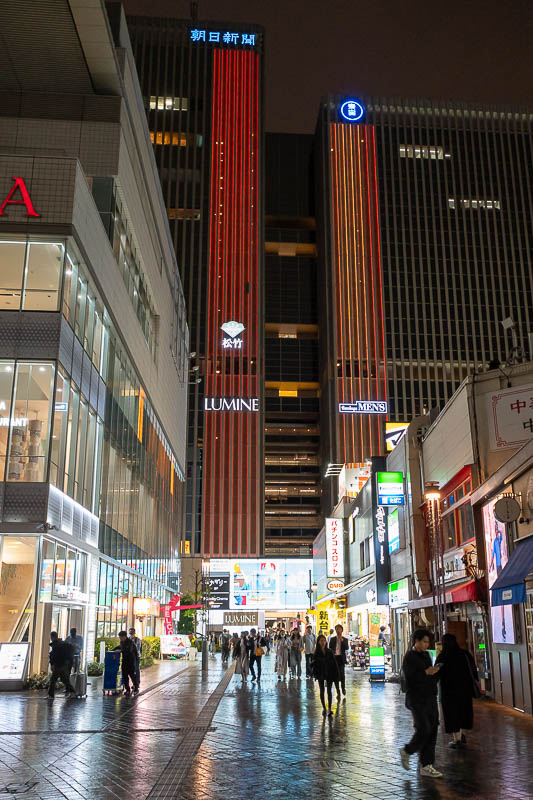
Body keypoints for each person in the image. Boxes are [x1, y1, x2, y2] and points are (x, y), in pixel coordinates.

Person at [400, 628, 443, 778]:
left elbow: (429, 677)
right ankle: (407, 751)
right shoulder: (410, 657)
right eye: (424, 642)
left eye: (428, 642)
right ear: (416, 641)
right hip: (417, 699)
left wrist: (436, 672)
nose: (426, 645)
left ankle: (427, 765)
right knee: (424, 728)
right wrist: (426, 673)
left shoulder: (425, 655)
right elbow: (410, 679)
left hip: (430, 697)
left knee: (432, 730)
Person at [435, 633, 479, 747]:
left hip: (449, 691)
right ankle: (461, 734)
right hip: (465, 690)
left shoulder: (443, 656)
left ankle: (457, 739)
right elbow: (473, 669)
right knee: (463, 712)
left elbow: (437, 672)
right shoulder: (464, 654)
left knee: (452, 714)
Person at [313, 634, 340, 715]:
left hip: (329, 673)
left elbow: (334, 663)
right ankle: (324, 708)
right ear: (318, 642)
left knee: (329, 690)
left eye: (324, 641)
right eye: (321, 641)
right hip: (321, 673)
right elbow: (315, 665)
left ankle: (329, 708)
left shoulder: (329, 651)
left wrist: (336, 674)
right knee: (322, 690)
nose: (323, 642)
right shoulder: (316, 653)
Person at [48, 632, 76, 699]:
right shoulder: (63, 643)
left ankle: (51, 695)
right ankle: (72, 692)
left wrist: (52, 664)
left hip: (58, 664)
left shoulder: (56, 645)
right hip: (64, 664)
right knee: (64, 679)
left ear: (52, 637)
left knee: (53, 679)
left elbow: (54, 656)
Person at [115, 630, 139, 696]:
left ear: (124, 636)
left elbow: (129, 651)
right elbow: (120, 647)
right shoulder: (122, 642)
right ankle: (127, 689)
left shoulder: (130, 642)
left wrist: (120, 650)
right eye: (119, 637)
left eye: (121, 637)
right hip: (124, 661)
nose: (120, 638)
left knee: (132, 676)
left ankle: (136, 688)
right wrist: (113, 650)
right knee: (125, 677)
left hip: (131, 662)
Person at [328, 624, 349, 696]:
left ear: (342, 630)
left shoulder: (345, 639)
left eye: (339, 629)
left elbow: (346, 648)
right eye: (337, 629)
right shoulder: (332, 639)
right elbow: (330, 648)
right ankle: (338, 690)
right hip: (334, 658)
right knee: (335, 675)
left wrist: (342, 640)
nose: (338, 630)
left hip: (341, 658)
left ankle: (343, 688)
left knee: (342, 674)